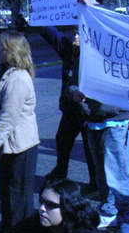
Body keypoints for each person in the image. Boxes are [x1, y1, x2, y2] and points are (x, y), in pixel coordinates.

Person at [73, 0, 129, 233]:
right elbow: (73, 81)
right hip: (93, 121)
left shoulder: (118, 47)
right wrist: (76, 93)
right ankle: (109, 209)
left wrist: (95, 8)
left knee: (121, 176)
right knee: (102, 175)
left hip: (118, 121)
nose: (77, 35)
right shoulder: (83, 52)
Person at [0, 31, 39, 232]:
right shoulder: (6, 72)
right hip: (9, 144)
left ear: (9, 50)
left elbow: (8, 116)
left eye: (0, 46)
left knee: (19, 193)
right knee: (8, 190)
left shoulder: (17, 79)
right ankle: (9, 228)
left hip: (20, 146)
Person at [37, 24, 96, 192]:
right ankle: (60, 171)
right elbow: (52, 35)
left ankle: (95, 182)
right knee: (62, 140)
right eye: (74, 34)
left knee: (90, 147)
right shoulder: (69, 51)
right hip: (71, 109)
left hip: (88, 110)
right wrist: (41, 15)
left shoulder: (94, 55)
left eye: (79, 35)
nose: (75, 37)